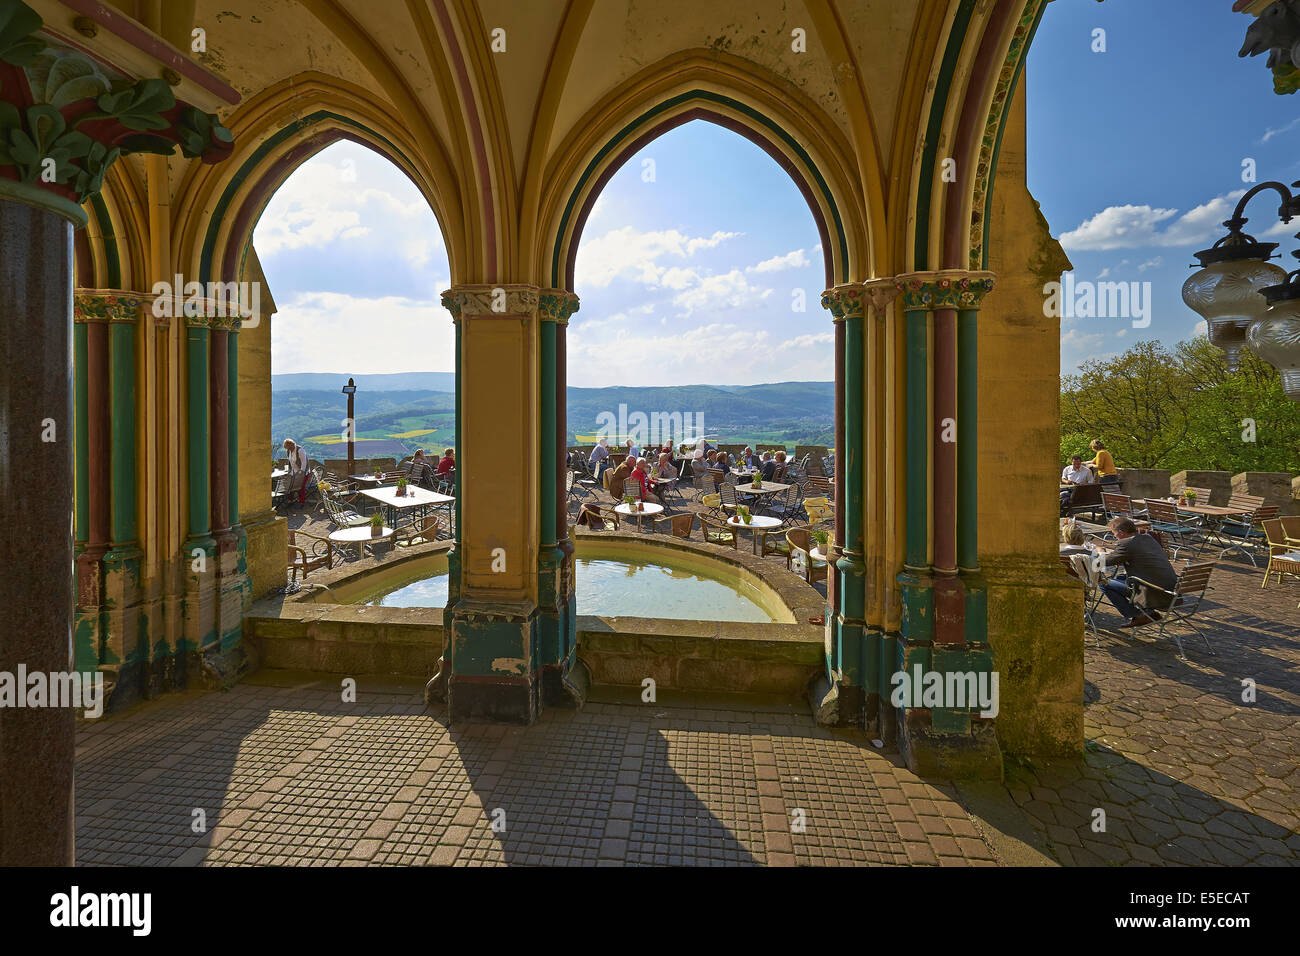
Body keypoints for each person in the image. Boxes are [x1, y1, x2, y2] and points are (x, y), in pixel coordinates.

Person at [1100, 517, 1178, 628]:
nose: (1114, 537)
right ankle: (1149, 613)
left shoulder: (1127, 543)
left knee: (1103, 582)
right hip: (1170, 590)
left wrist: (1092, 557)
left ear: (1121, 533)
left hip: (1154, 593)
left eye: (1114, 534)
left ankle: (1138, 615)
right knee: (1121, 577)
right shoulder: (1148, 537)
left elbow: (1107, 561)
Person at [282, 438, 309, 506]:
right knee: (290, 485)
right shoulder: (289, 451)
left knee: (301, 486)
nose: (288, 450)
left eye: (289, 448)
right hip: (294, 472)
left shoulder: (300, 450)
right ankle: (290, 500)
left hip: (303, 472)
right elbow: (290, 461)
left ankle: (301, 502)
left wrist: (301, 473)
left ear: (292, 445)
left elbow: (304, 463)